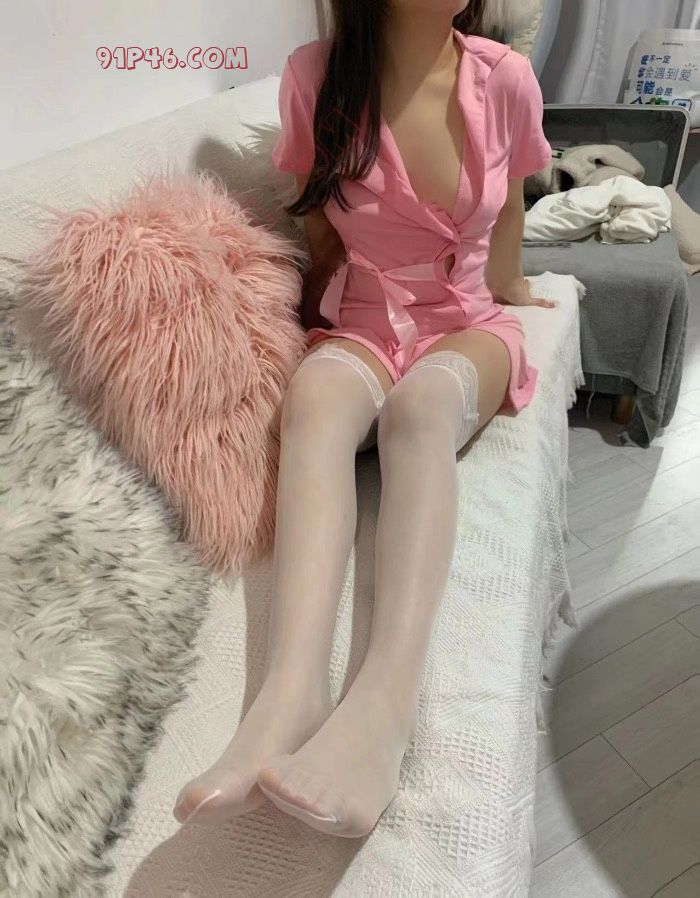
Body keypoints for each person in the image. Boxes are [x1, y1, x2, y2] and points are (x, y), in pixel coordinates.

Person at [173, 0, 554, 839]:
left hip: (468, 323)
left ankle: (384, 706)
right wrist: (310, 320)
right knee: (314, 397)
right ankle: (289, 695)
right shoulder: (316, 77)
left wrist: (521, 292)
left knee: (423, 409)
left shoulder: (504, 78)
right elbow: (317, 222)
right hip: (368, 318)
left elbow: (512, 208)